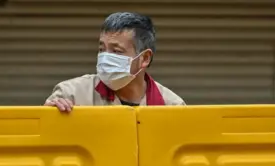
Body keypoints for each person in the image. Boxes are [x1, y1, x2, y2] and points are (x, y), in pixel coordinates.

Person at [44, 12, 186, 112]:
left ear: (145, 58)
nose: (105, 58)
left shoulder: (173, 107)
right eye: (102, 49)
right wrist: (49, 117)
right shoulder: (71, 95)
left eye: (117, 51)